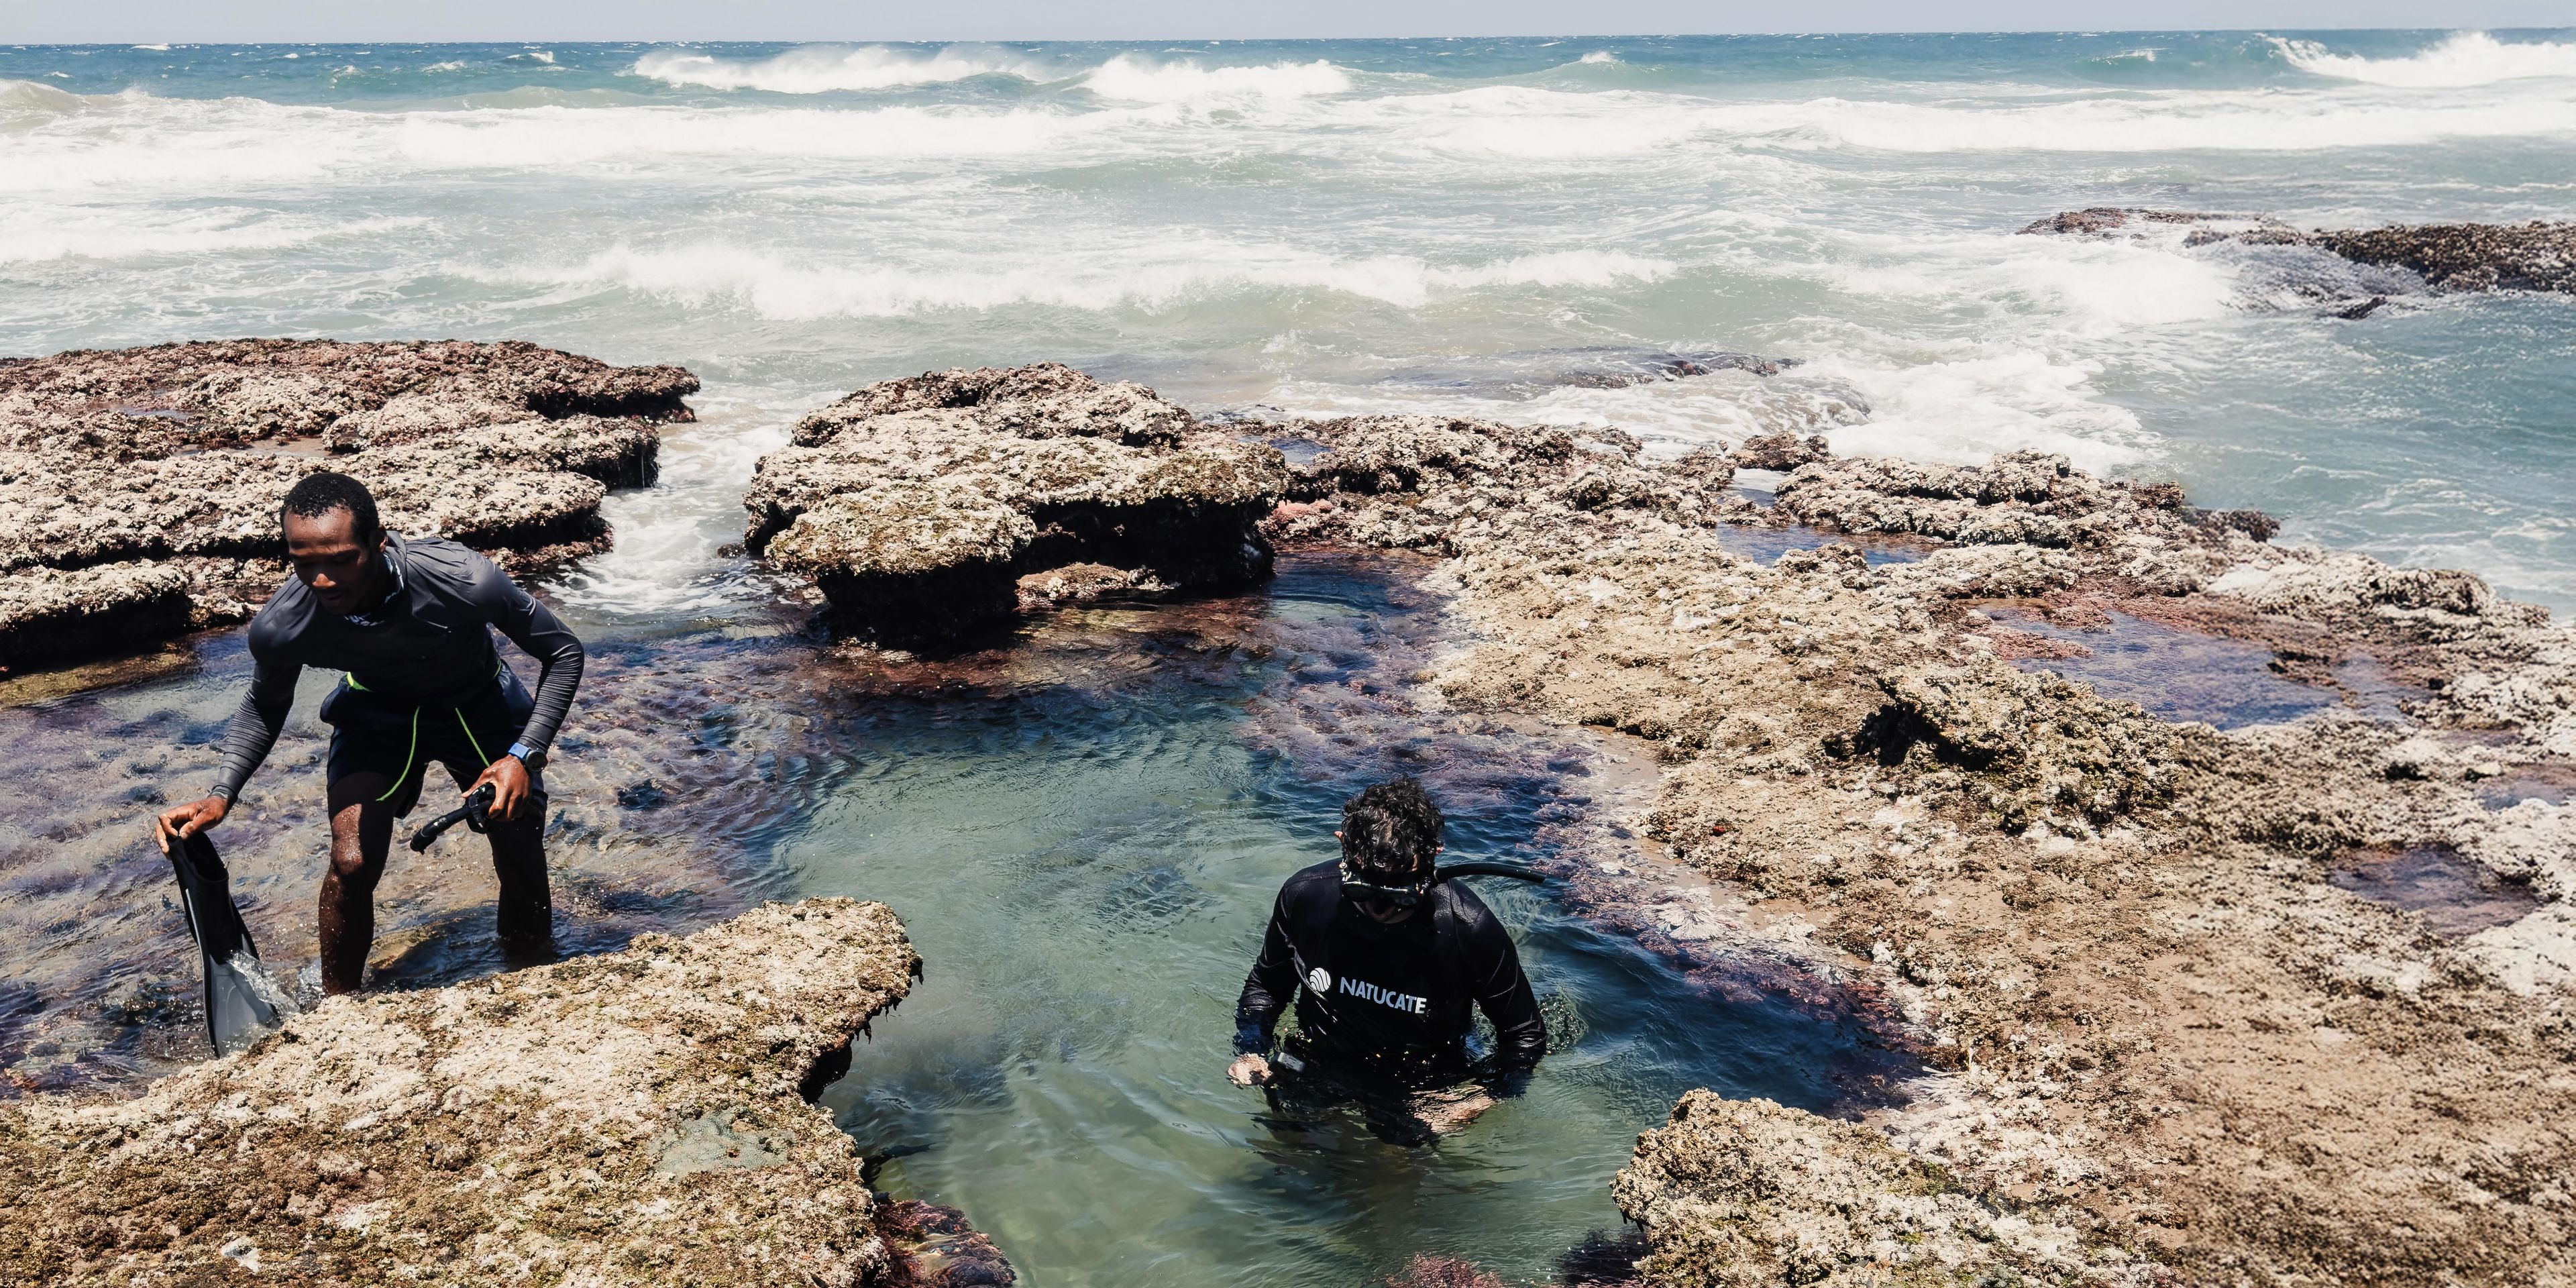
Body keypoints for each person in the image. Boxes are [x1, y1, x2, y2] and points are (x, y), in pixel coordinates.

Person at [154, 472, 584, 995]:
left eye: (341, 560)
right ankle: (339, 1010)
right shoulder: (283, 625)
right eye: (303, 563)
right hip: (377, 713)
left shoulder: (462, 579)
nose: (322, 581)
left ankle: (531, 977)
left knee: (516, 841)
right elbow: (266, 704)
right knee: (351, 863)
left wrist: (522, 754)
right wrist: (223, 792)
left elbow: (563, 652)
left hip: (477, 705)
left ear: (378, 541)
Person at [1228, 777, 1546, 1136]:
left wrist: (1469, 1102)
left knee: (1392, 1165)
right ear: (1343, 845)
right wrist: (1252, 1048)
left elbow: (1525, 1036)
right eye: (1363, 890)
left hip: (1423, 1082)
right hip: (1319, 1057)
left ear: (1434, 855)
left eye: (1400, 894)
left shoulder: (1468, 927)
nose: (1381, 910)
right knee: (1289, 1154)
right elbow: (1267, 986)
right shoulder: (1303, 897)